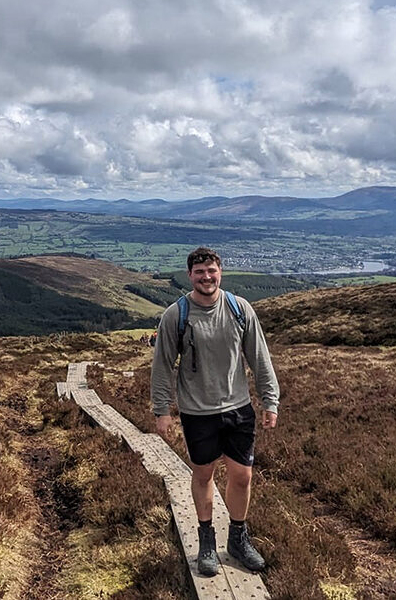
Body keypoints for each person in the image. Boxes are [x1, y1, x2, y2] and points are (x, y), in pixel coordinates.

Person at [150, 246, 280, 576]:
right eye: (199, 272)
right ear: (189, 276)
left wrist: (270, 400)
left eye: (211, 271)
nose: (206, 277)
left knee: (243, 475)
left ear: (220, 272)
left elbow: (259, 358)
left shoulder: (240, 309)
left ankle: (237, 538)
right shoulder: (175, 315)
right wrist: (161, 409)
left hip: (238, 408)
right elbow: (163, 365)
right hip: (197, 412)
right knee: (203, 475)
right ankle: (206, 540)